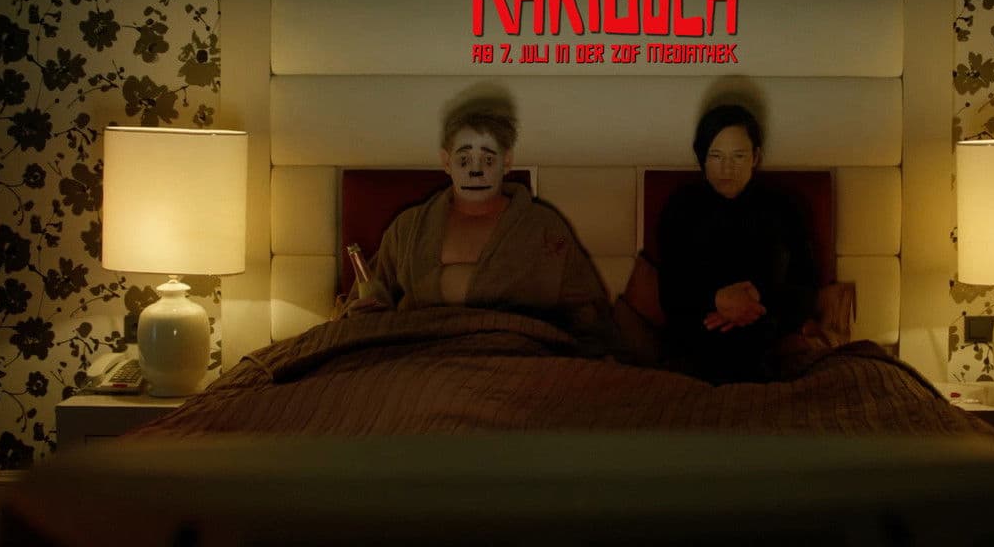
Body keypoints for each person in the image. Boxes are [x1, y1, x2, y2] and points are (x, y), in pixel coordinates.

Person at [341, 103, 614, 356]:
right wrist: (365, 313)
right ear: (446, 162)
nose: (476, 172)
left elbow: (587, 312)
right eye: (464, 161)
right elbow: (369, 299)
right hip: (420, 356)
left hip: (516, 356)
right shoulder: (408, 228)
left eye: (488, 160)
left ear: (507, 162)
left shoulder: (543, 228)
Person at [657, 104, 820, 383]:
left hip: (771, 346)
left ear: (755, 157)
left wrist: (754, 304)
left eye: (739, 156)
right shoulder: (681, 207)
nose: (727, 168)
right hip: (696, 349)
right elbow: (671, 291)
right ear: (701, 157)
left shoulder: (783, 208)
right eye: (716, 156)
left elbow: (805, 287)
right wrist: (716, 300)